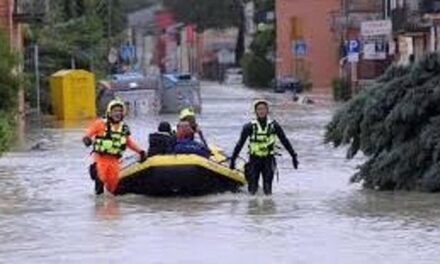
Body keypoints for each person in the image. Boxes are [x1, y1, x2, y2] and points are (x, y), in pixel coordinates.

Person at [230, 99, 299, 195]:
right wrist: (233, 160)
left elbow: (285, 141)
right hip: (254, 160)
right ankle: (252, 208)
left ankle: (268, 208)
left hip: (268, 160)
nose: (261, 111)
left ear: (267, 110)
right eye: (259, 109)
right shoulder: (249, 127)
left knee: (267, 189)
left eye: (263, 109)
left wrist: (294, 156)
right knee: (252, 189)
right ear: (255, 111)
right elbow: (240, 144)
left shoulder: (274, 126)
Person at [83, 99, 147, 195]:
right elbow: (88, 133)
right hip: (101, 158)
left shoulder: (124, 128)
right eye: (115, 111)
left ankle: (111, 206)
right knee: (100, 179)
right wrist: (87, 139)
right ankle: (99, 205)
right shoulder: (100, 124)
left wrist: (140, 151)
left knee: (113, 186)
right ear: (109, 112)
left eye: (120, 111)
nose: (118, 113)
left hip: (114, 160)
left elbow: (128, 142)